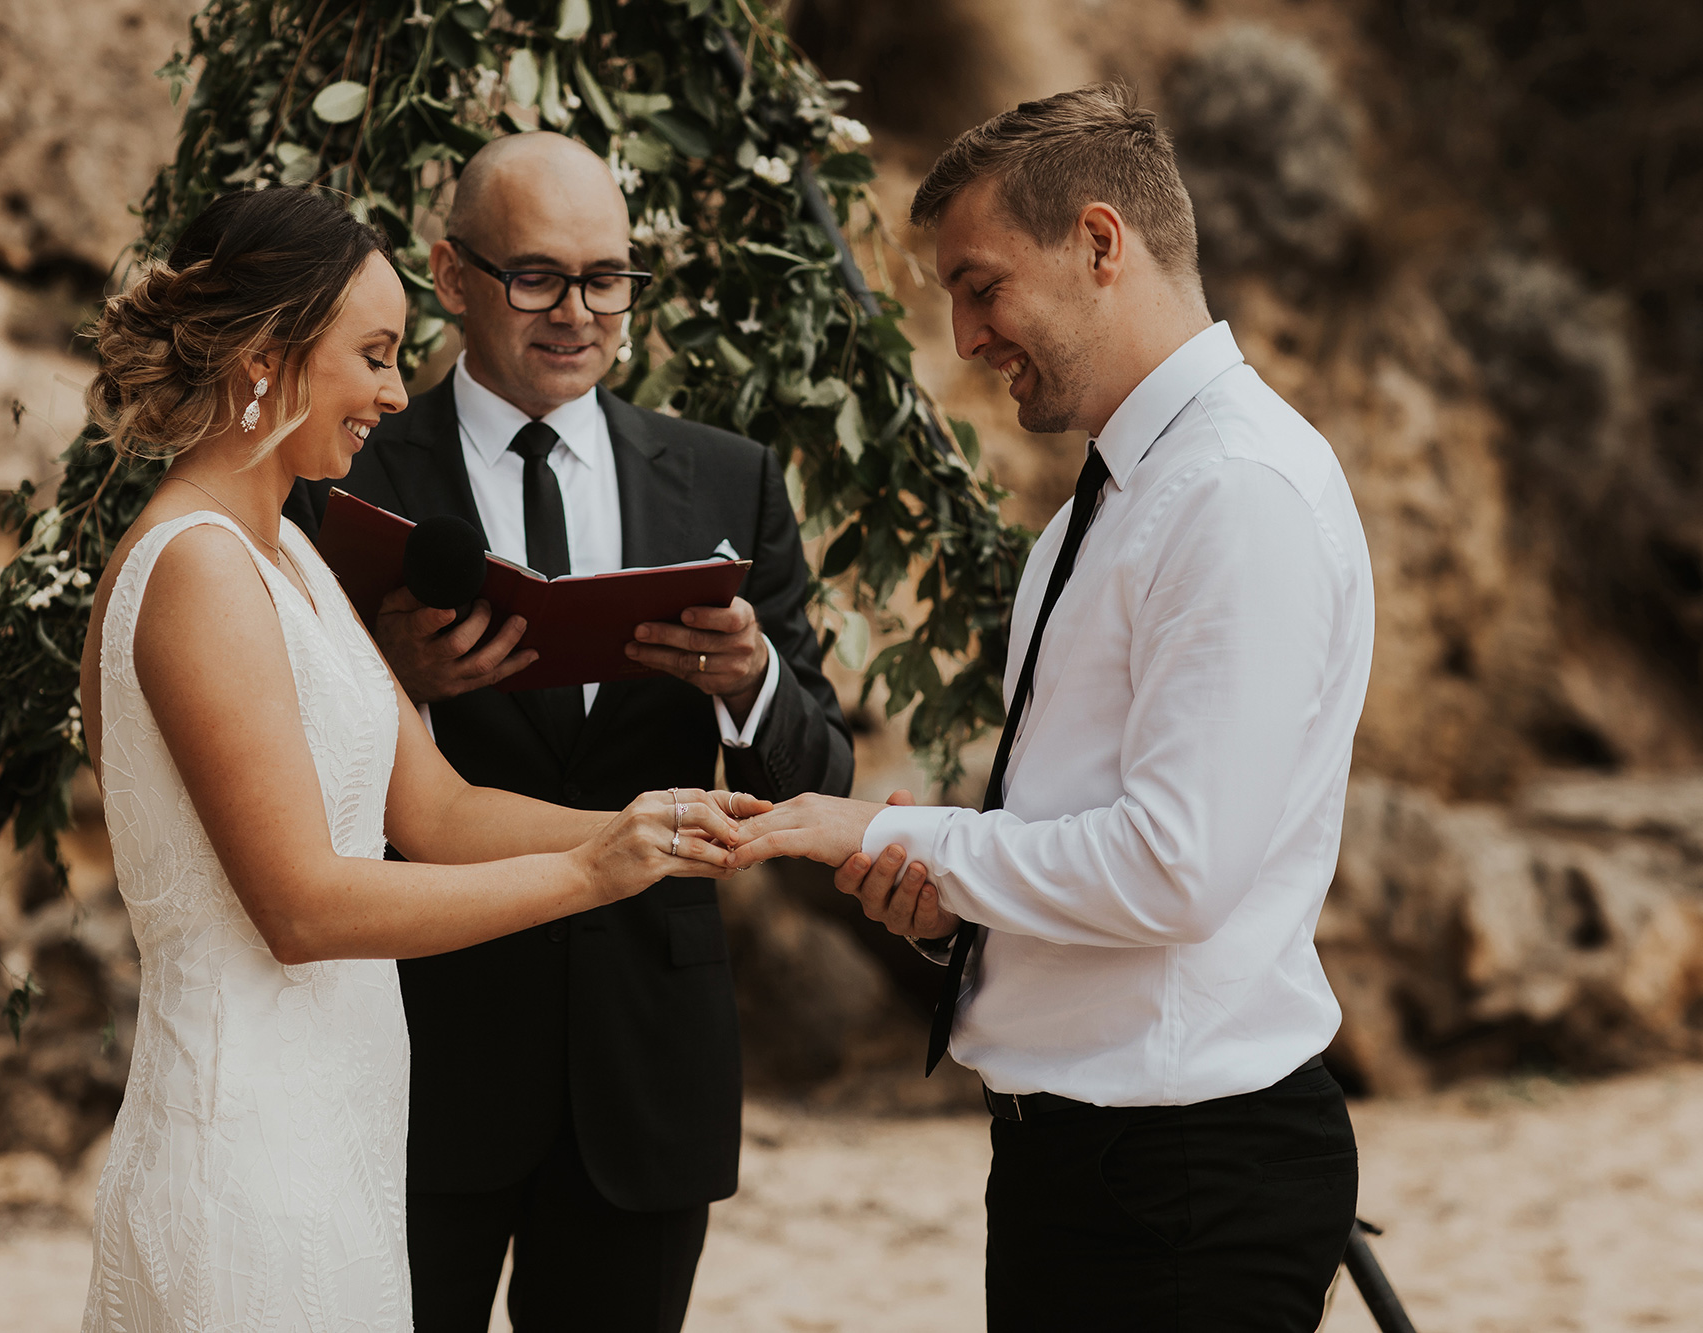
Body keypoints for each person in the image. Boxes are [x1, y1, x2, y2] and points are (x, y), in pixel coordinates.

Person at [731, 84, 1375, 1331]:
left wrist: (883, 834)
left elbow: (1174, 869)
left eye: (981, 286)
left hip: (1179, 1181)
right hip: (1078, 1166)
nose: (966, 337)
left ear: (1097, 242)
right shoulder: (1128, 489)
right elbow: (1092, 832)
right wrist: (942, 906)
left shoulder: (1230, 492)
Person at [73, 187, 757, 1333]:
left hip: (341, 1136)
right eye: (375, 356)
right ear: (263, 359)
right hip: (241, 1148)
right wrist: (590, 877)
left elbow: (435, 810)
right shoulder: (194, 567)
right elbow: (299, 904)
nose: (396, 394)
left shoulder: (283, 546)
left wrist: (646, 827)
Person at [284, 132, 854, 1332]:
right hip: (417, 1049)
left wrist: (747, 684)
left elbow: (821, 772)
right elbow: (270, 767)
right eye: (536, 277)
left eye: (608, 277)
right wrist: (391, 679)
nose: (579, 313)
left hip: (645, 1059)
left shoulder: (725, 480)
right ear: (450, 275)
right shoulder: (343, 473)